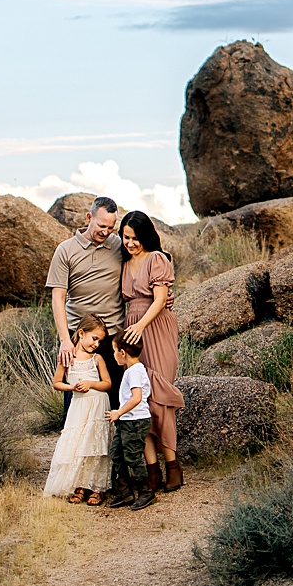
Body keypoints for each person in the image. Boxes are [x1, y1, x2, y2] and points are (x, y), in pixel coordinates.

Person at [121, 209, 185, 495]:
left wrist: (140, 326)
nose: (130, 243)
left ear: (146, 236)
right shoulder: (124, 262)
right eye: (125, 237)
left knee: (159, 395)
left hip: (156, 326)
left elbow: (160, 300)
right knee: (140, 396)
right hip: (131, 328)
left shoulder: (156, 259)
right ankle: (152, 470)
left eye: (135, 237)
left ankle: (172, 465)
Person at [45, 196, 126, 401]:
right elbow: (58, 297)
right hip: (78, 336)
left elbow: (148, 258)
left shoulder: (118, 245)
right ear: (89, 217)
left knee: (114, 397)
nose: (105, 232)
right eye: (101, 225)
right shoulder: (65, 250)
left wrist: (164, 289)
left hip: (113, 334)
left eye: (110, 227)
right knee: (76, 399)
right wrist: (65, 341)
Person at [43, 317, 112, 505]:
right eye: (94, 338)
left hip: (97, 403)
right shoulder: (67, 358)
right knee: (80, 444)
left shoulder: (97, 359)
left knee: (95, 445)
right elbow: (57, 383)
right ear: (81, 333)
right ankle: (80, 485)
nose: (96, 344)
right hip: (79, 406)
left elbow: (107, 384)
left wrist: (91, 384)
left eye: (100, 341)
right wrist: (72, 388)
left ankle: (97, 487)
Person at [106, 333, 155, 510]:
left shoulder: (134, 371)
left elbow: (136, 398)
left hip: (135, 420)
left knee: (133, 457)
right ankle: (124, 491)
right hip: (127, 420)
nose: (113, 355)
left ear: (123, 352)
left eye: (114, 351)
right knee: (117, 453)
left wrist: (118, 412)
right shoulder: (131, 370)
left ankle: (146, 491)